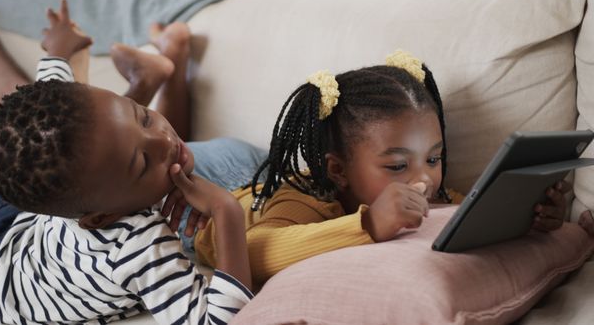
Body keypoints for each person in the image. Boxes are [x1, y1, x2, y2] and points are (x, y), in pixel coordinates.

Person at [187, 50, 574, 287]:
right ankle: (163, 74)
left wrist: (536, 219)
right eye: (398, 165)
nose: (425, 178)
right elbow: (251, 253)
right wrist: (368, 224)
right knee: (146, 161)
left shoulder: (432, 194)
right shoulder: (306, 199)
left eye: (434, 159)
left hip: (261, 170)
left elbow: (468, 214)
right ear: (338, 171)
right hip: (222, 180)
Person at [0, 0, 255, 324]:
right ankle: (145, 83)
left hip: (12, 220)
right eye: (141, 164)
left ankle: (145, 82)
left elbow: (49, 100)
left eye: (145, 118)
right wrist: (226, 210)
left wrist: (58, 51)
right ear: (102, 217)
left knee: (94, 143)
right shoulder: (136, 246)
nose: (166, 140)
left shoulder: (72, 174)